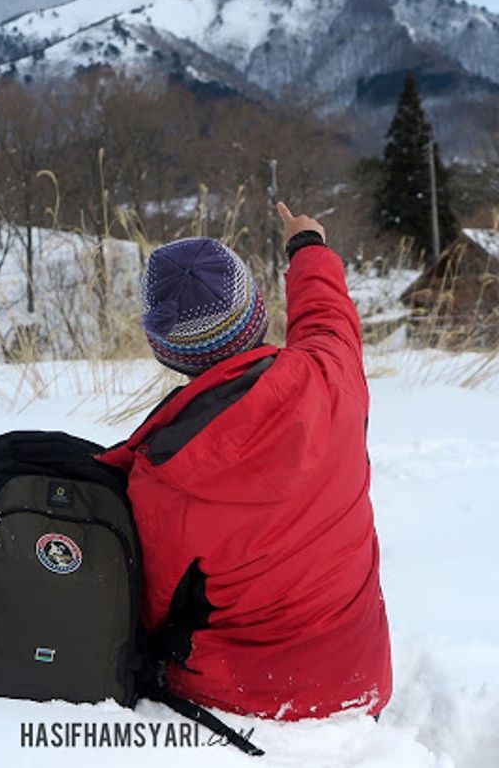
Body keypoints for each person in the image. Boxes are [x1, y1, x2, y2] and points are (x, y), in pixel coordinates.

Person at [97, 202, 392, 721]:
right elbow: (326, 314)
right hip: (360, 683)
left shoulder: (162, 476)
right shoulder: (332, 377)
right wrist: (308, 246)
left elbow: (151, 609)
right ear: (255, 311)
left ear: (165, 350)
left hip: (237, 703)